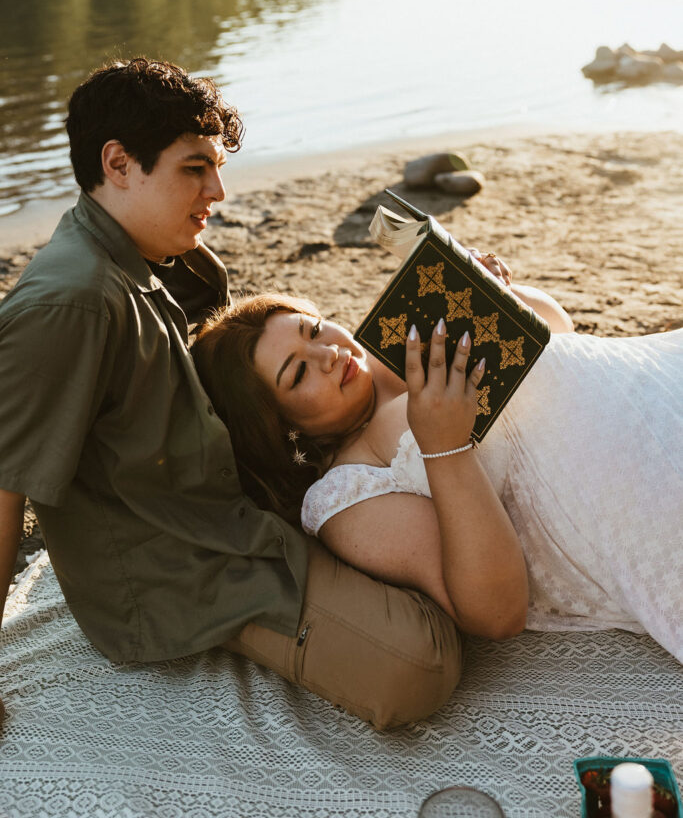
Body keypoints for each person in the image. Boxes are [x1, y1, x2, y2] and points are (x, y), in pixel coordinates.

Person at [0, 58, 465, 733]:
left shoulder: (169, 257)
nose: (218, 191)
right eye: (195, 168)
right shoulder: (69, 304)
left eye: (217, 166)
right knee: (420, 669)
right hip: (177, 565)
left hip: (235, 495)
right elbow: (4, 488)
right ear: (119, 163)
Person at [191, 272, 683, 663]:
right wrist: (444, 447)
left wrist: (499, 294)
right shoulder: (346, 494)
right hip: (629, 487)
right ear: (284, 430)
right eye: (298, 372)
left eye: (314, 329)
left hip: (638, 378)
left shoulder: (390, 336)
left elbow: (557, 326)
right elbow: (496, 613)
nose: (329, 353)